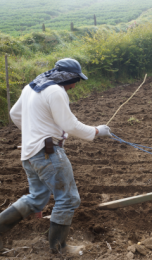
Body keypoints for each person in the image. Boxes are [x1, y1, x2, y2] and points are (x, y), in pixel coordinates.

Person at [0, 58, 112, 254]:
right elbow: (70, 124)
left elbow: (14, 114)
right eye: (75, 80)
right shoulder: (56, 92)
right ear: (68, 78)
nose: (75, 85)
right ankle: (59, 249)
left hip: (29, 153)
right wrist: (97, 131)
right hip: (48, 153)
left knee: (36, 198)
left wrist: (34, 132)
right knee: (68, 199)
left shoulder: (32, 87)